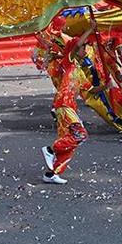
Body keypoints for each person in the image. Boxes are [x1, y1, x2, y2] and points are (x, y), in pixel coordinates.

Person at [41, 18, 96, 185]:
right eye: (83, 48)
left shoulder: (80, 71)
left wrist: (106, 87)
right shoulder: (69, 62)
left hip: (70, 107)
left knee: (70, 143)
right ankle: (50, 149)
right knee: (80, 135)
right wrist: (90, 29)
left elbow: (90, 90)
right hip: (63, 105)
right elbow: (77, 45)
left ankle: (51, 174)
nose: (85, 51)